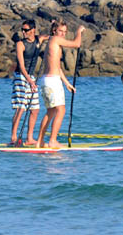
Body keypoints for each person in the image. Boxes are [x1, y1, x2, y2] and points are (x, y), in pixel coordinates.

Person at [35, 20, 85, 148]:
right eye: (60, 31)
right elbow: (77, 44)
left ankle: (40, 141)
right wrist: (79, 32)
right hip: (52, 81)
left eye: (64, 32)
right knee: (61, 110)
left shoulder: (51, 42)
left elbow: (57, 67)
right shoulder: (56, 40)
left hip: (46, 80)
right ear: (54, 31)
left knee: (51, 111)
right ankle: (52, 140)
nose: (62, 34)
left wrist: (67, 84)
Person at [10, 20, 49, 145]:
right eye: (22, 30)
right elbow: (21, 66)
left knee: (35, 109)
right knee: (21, 108)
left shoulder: (39, 40)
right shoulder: (20, 44)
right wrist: (30, 81)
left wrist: (53, 26)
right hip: (21, 76)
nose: (23, 32)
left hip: (31, 77)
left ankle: (29, 138)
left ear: (33, 30)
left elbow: (52, 36)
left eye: (26, 30)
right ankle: (14, 137)